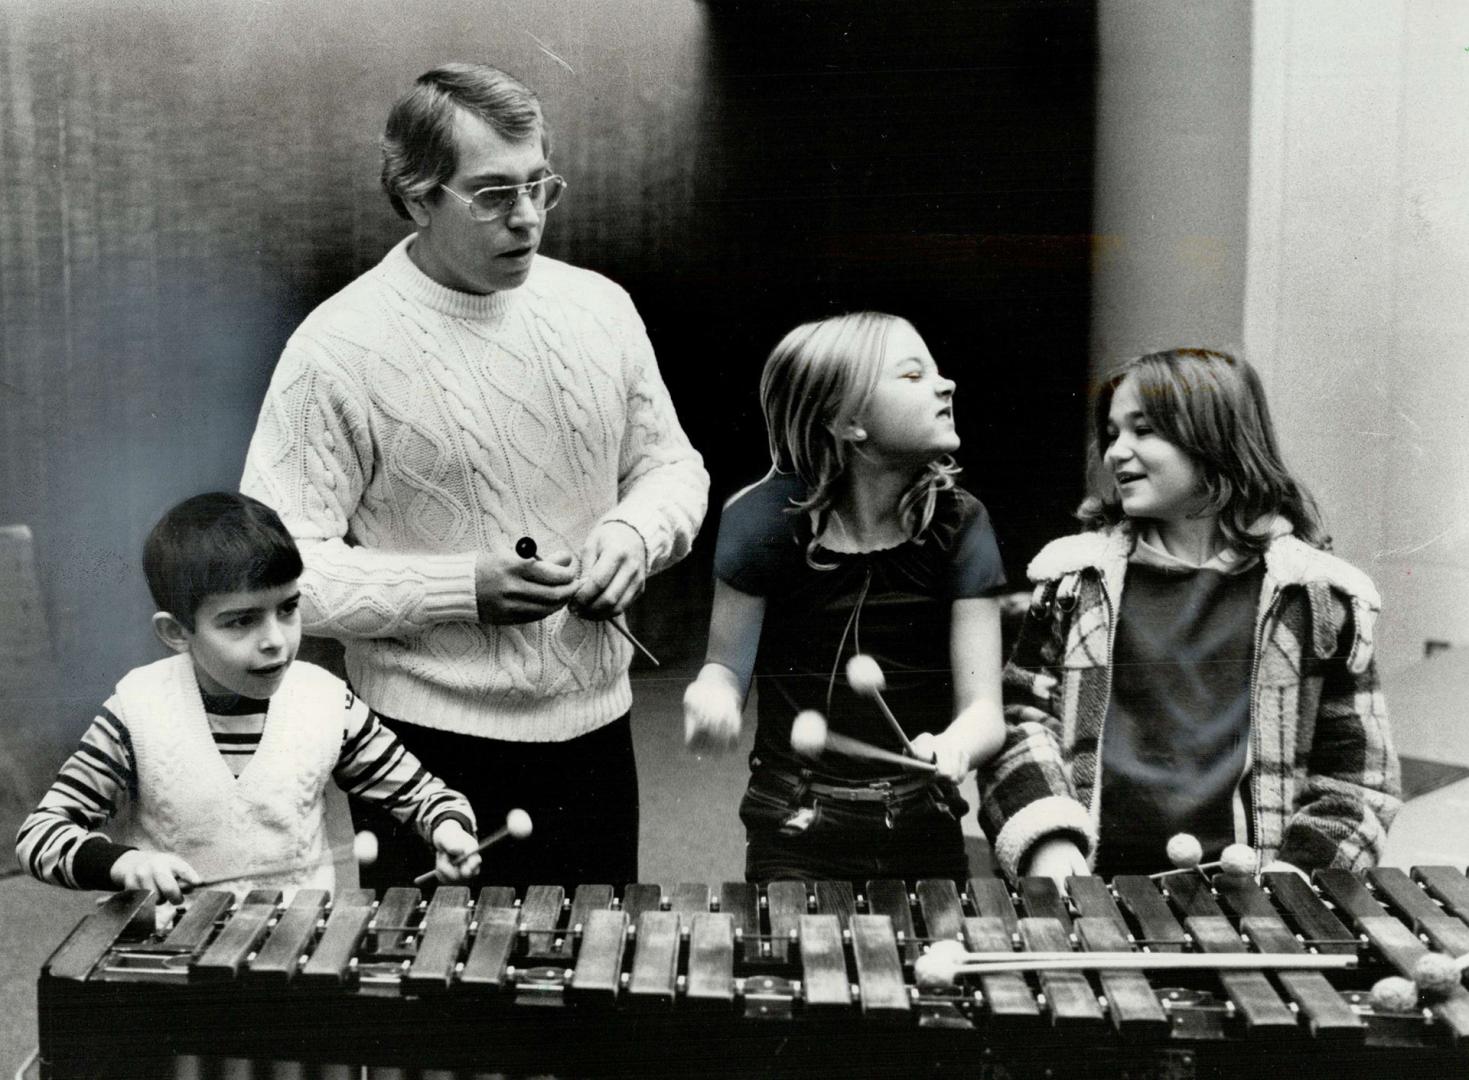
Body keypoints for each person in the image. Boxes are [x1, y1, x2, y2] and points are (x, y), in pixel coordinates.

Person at [240, 63, 708, 891]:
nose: (526, 218)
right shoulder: (335, 348)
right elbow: (275, 577)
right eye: (492, 195)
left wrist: (635, 535)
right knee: (445, 1006)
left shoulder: (599, 307)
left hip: (598, 731)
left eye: (539, 186)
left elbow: (671, 468)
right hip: (421, 752)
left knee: (596, 992)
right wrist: (461, 589)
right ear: (416, 197)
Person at [978, 348, 1401, 883]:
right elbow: (1019, 726)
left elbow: (1357, 781)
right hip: (1088, 884)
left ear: (1216, 442)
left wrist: (1296, 883)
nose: (1115, 452)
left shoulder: (1315, 596)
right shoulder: (1071, 583)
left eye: (1144, 431)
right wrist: (1048, 841)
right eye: (1112, 434)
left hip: (1254, 895)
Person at [15, 493, 481, 903]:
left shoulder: (327, 703)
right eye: (241, 621)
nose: (275, 640)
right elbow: (39, 835)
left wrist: (448, 829)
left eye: (288, 609)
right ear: (176, 632)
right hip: (170, 955)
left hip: (298, 951)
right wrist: (123, 864)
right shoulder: (137, 710)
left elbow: (425, 795)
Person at [683, 312, 1008, 883]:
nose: (945, 384)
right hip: (796, 821)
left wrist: (956, 745)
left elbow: (985, 711)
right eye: (913, 376)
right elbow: (723, 669)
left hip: (922, 818)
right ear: (848, 420)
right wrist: (710, 699)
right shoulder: (760, 521)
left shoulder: (961, 525)